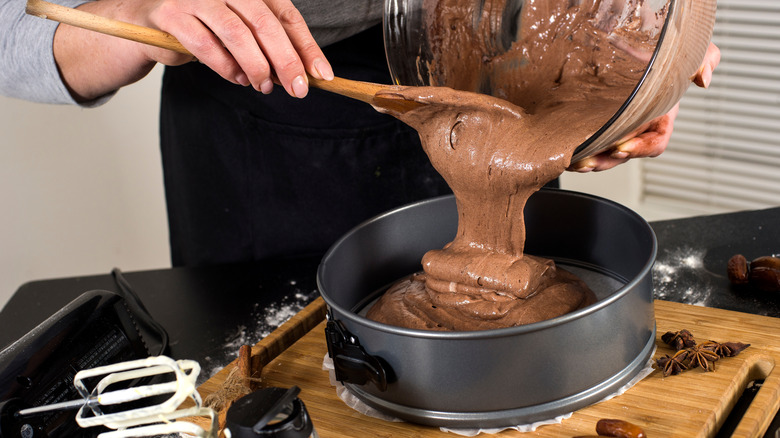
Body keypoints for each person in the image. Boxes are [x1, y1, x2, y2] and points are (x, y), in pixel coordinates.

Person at [0, 0, 720, 267]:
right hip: (266, 112)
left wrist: (646, 44)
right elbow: (12, 25)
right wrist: (135, 12)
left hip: (513, 74)